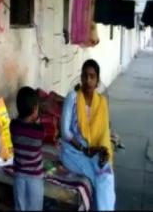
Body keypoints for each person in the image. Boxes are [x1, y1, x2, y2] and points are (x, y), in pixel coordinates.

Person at [60, 59, 115, 211]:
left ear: (97, 81)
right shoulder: (72, 97)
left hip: (93, 151)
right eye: (85, 76)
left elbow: (104, 133)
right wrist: (85, 150)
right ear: (81, 78)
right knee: (100, 177)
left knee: (106, 174)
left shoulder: (102, 102)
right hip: (73, 152)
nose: (88, 80)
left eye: (92, 76)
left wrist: (103, 151)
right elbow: (65, 133)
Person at [10, 86, 45, 211]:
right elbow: (41, 135)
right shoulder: (39, 131)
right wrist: (38, 121)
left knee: (20, 207)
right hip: (34, 178)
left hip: (19, 175)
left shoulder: (13, 126)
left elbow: (20, 123)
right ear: (35, 108)